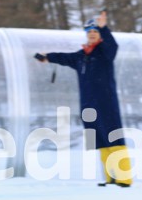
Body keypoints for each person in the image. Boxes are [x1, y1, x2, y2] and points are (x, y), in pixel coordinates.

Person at [36, 11, 133, 187]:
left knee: (114, 138)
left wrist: (104, 28)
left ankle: (124, 178)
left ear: (100, 35)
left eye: (96, 32)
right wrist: (47, 57)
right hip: (88, 104)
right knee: (100, 140)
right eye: (90, 32)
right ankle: (111, 177)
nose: (92, 34)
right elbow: (65, 58)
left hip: (106, 103)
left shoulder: (105, 53)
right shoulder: (82, 56)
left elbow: (112, 45)